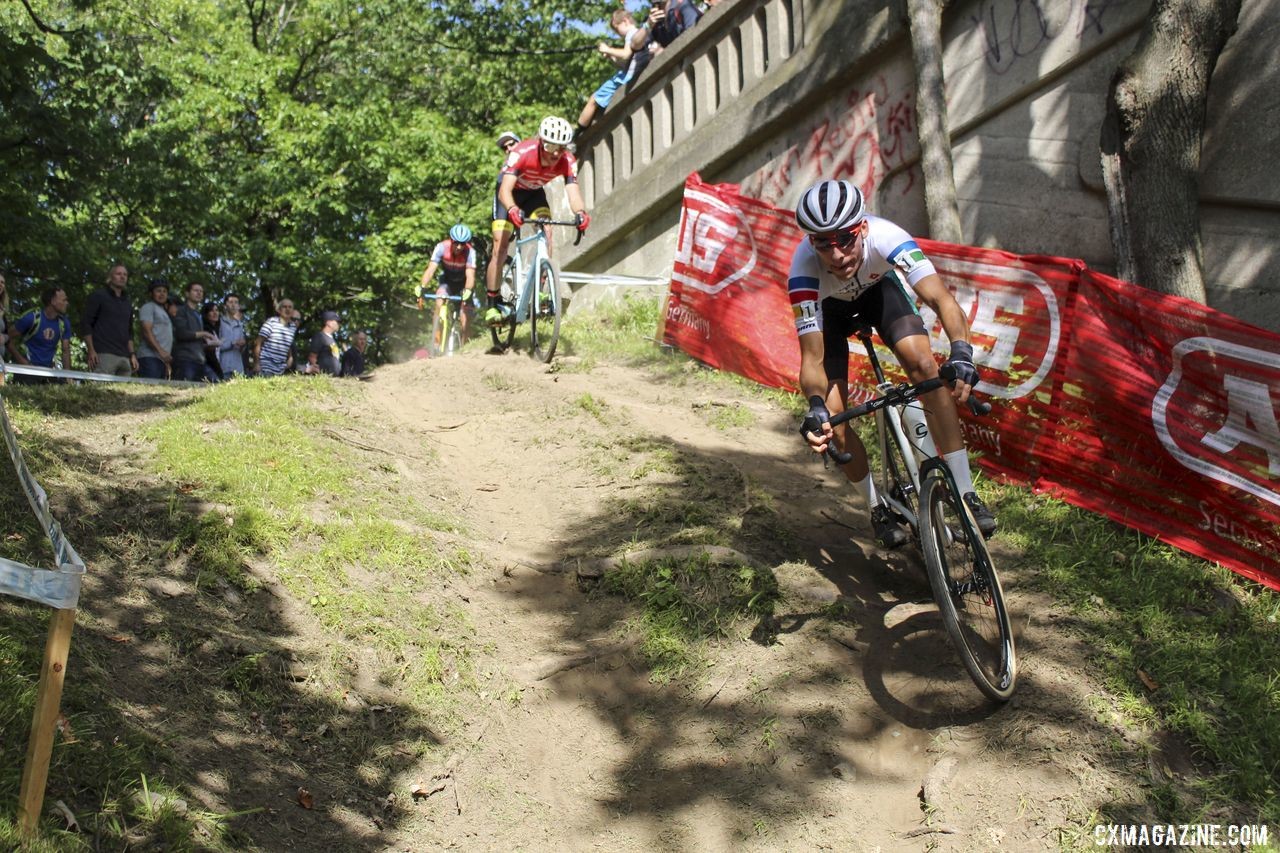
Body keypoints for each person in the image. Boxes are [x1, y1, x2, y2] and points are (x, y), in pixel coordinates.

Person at [790, 179, 997, 546]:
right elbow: (812, 357)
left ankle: (966, 494)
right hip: (829, 314)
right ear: (811, 242)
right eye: (823, 243)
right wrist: (816, 406)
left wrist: (962, 351)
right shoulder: (804, 271)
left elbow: (941, 300)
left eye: (846, 238)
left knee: (925, 367)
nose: (837, 254)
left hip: (878, 294)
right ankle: (876, 507)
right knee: (835, 420)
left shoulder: (887, 237)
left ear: (863, 228)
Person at [485, 116, 590, 340]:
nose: (555, 154)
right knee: (500, 246)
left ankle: (541, 290)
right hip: (509, 195)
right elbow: (504, 190)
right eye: (551, 147)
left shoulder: (567, 160)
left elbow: (573, 192)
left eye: (560, 148)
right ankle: (493, 301)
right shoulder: (521, 153)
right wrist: (512, 208)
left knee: (547, 230)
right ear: (541, 142)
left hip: (534, 195)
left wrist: (581, 213)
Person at [576, 10, 651, 134]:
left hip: (627, 77)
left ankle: (578, 132)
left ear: (625, 21)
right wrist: (611, 56)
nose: (617, 34)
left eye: (617, 29)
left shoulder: (632, 33)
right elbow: (624, 63)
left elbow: (626, 55)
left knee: (593, 99)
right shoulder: (638, 34)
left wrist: (608, 49)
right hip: (628, 73)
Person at [419, 224, 477, 341]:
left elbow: (470, 276)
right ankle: (436, 340)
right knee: (439, 303)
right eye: (456, 243)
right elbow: (430, 270)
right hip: (447, 283)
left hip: (463, 285)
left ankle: (465, 346)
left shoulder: (470, 252)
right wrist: (422, 287)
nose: (459, 247)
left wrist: (468, 291)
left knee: (465, 315)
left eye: (463, 244)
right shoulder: (441, 247)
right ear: (451, 240)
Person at [6, 286, 73, 384]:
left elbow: (65, 350)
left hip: (48, 372)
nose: (67, 303)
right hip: (27, 372)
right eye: (64, 300)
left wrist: (68, 375)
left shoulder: (64, 323)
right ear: (53, 301)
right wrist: (23, 362)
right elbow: (6, 338)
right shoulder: (31, 318)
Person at [82, 263, 137, 376]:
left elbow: (129, 331)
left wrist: (132, 354)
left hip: (124, 357)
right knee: (100, 391)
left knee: (124, 393)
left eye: (125, 274)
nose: (122, 277)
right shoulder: (99, 296)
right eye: (118, 274)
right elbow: (86, 323)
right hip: (103, 354)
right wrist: (91, 350)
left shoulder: (127, 302)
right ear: (110, 277)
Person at [171, 282, 218, 382]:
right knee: (183, 391)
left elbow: (196, 341)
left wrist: (208, 345)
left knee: (216, 383)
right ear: (187, 294)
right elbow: (181, 334)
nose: (199, 293)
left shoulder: (198, 314)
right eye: (196, 290)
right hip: (185, 360)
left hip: (199, 360)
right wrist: (204, 333)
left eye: (201, 291)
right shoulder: (181, 310)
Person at [136, 280, 174, 379]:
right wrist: (161, 351)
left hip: (161, 360)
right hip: (149, 357)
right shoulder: (148, 307)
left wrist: (165, 360)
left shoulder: (164, 312)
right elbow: (146, 331)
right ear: (151, 293)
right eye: (158, 291)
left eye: (164, 291)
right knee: (149, 391)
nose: (162, 294)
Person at [254, 297, 299, 377]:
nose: (287, 309)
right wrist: (257, 363)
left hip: (280, 368)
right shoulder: (271, 322)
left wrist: (290, 357)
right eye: (284, 307)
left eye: (290, 307)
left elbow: (286, 343)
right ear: (279, 310)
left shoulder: (292, 327)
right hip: (266, 366)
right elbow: (258, 343)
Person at [218, 293, 248, 377]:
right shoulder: (219, 322)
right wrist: (232, 343)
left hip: (238, 368)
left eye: (236, 302)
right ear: (225, 306)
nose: (233, 305)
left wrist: (243, 345)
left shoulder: (240, 324)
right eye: (231, 302)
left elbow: (242, 350)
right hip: (223, 367)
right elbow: (216, 346)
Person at [305, 311, 342, 376]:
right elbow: (312, 357)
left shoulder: (332, 339)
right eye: (337, 321)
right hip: (324, 378)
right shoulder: (320, 336)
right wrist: (317, 373)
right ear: (328, 322)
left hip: (334, 379)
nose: (338, 324)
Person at [202, 302, 227, 381]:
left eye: (216, 310)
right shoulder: (204, 328)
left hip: (214, 364)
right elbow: (208, 349)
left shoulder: (215, 330)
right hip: (207, 365)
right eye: (211, 311)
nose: (215, 313)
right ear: (206, 314)